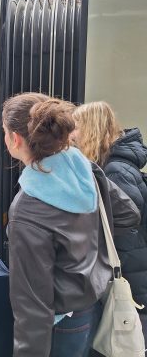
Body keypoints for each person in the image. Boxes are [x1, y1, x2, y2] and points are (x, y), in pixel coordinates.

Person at [2, 92, 140, 357]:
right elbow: (128, 214)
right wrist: (91, 251)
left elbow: (33, 306)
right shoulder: (84, 169)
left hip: (60, 321)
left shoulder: (27, 208)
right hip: (93, 303)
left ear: (15, 139)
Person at [72, 101, 147, 312]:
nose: (72, 135)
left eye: (75, 127)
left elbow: (125, 233)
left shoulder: (115, 171)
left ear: (90, 129)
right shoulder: (118, 165)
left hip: (130, 276)